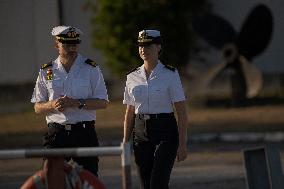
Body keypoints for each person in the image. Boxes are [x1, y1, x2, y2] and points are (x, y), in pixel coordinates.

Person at [31, 25, 109, 177]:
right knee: (52, 179)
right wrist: (52, 104)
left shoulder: (90, 68)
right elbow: (37, 107)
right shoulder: (47, 70)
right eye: (67, 44)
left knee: (88, 179)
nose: (72, 48)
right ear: (56, 45)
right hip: (56, 133)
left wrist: (76, 102)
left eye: (75, 44)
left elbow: (103, 102)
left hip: (84, 132)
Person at [123, 29, 188, 189]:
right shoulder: (132, 77)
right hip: (140, 132)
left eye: (148, 45)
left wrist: (182, 144)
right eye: (140, 46)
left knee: (158, 183)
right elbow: (130, 111)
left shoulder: (170, 74)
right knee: (146, 184)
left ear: (158, 47)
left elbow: (181, 111)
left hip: (165, 130)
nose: (143, 49)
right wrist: (125, 142)